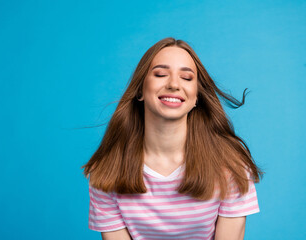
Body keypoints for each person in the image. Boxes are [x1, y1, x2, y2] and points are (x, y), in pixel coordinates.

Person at [82, 37, 263, 240]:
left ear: (196, 97)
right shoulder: (106, 171)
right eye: (160, 74)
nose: (174, 84)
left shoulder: (231, 166)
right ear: (140, 90)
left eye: (186, 78)